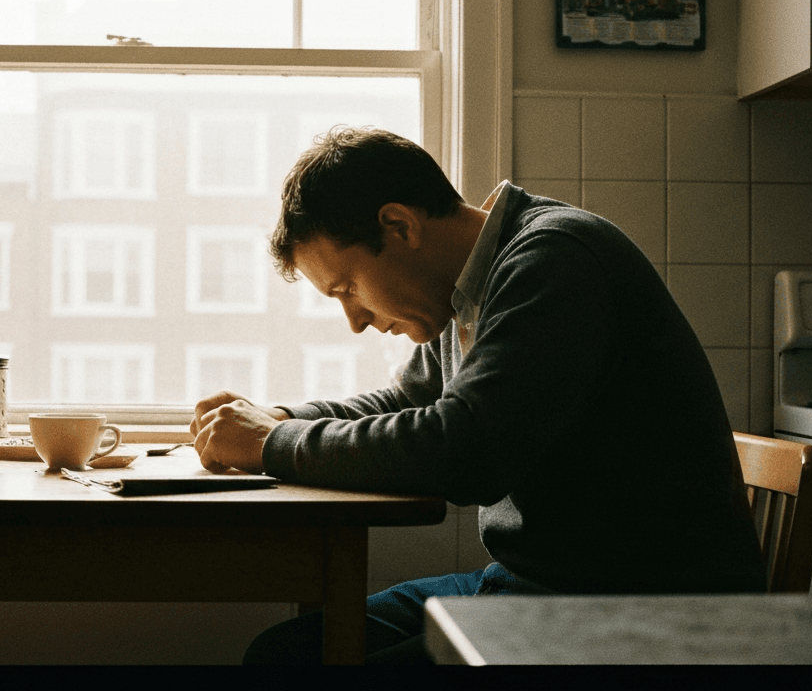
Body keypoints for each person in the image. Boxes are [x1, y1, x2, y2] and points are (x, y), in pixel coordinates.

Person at [191, 126, 766, 664]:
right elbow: (405, 404)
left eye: (348, 288)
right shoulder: (469, 289)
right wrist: (280, 418)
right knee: (285, 653)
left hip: (636, 612)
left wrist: (273, 443)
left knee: (300, 665)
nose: (355, 321)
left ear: (400, 226)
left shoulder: (554, 258)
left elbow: (466, 450)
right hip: (539, 587)